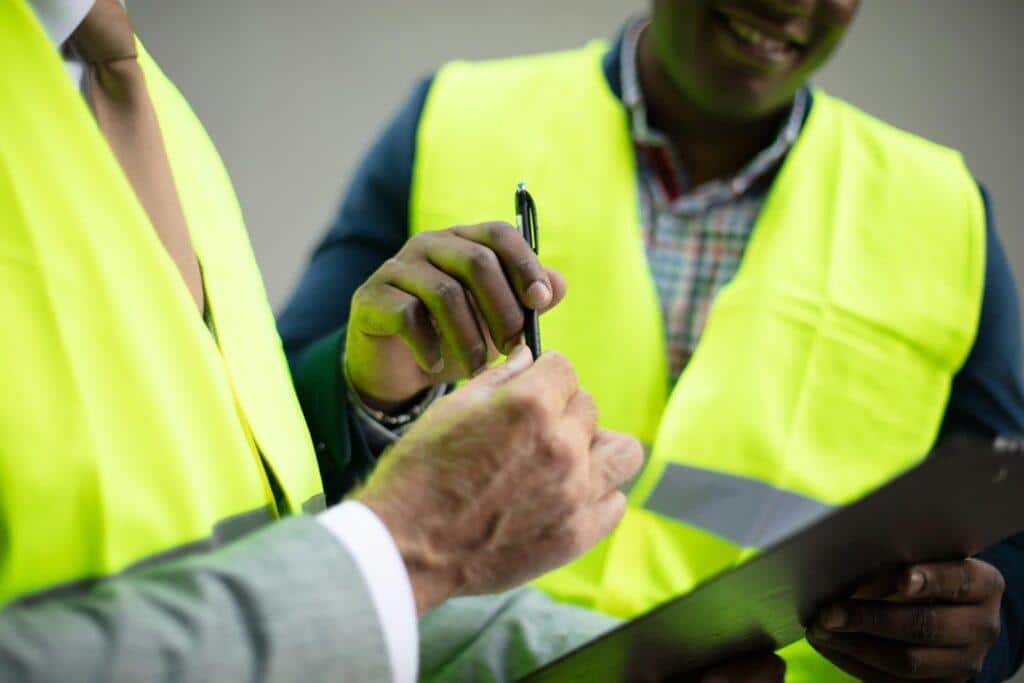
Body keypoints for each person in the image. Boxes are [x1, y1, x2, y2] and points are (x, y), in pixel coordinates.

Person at [278, 0, 1024, 681]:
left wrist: (981, 629)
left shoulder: (945, 212)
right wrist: (374, 393)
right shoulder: (450, 117)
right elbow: (271, 419)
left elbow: (1010, 532)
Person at [0, 1, 669, 681]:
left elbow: (257, 531)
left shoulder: (150, 100)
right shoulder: (445, 116)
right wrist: (407, 548)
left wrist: (651, 663)